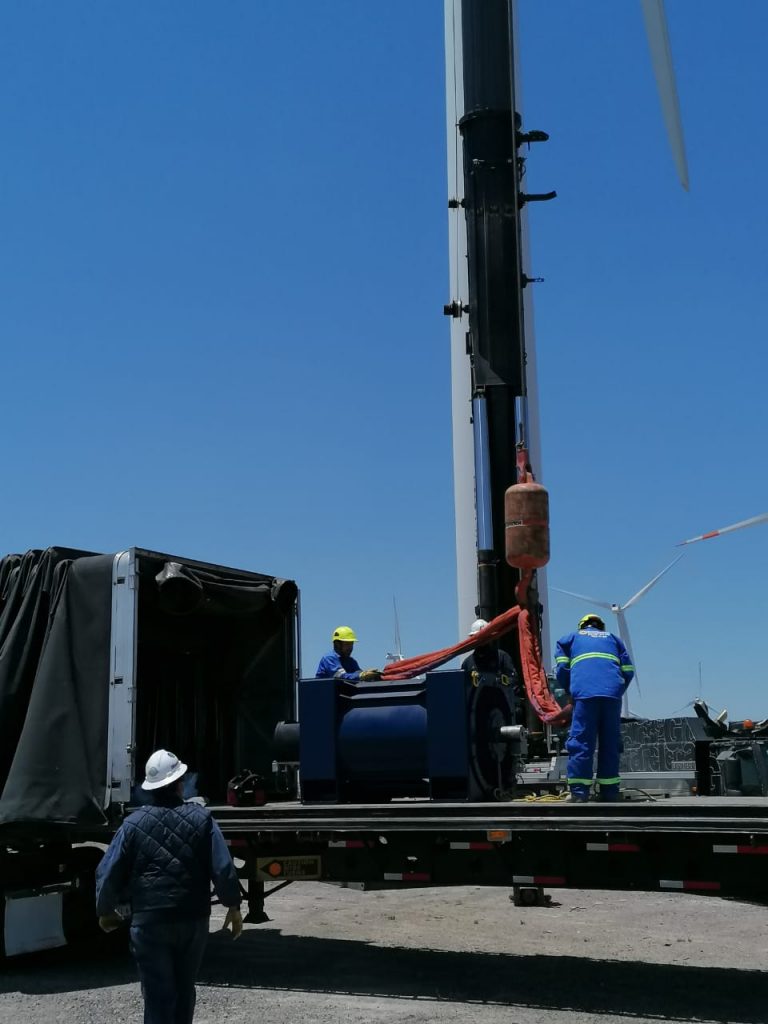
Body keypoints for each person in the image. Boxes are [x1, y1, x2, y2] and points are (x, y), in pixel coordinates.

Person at [96, 749, 243, 1024]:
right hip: (193, 920)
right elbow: (223, 868)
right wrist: (233, 906)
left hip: (149, 923)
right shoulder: (202, 819)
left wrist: (105, 910)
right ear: (179, 783)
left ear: (150, 788)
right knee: (185, 990)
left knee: (158, 995)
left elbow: (108, 872)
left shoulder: (132, 825)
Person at [555, 613, 634, 802]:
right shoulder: (614, 639)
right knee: (610, 742)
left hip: (585, 693)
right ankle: (610, 792)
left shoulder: (571, 638)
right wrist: (616, 690)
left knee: (581, 741)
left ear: (583, 626)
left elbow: (562, 668)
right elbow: (628, 671)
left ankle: (579, 793)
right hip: (612, 695)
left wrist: (571, 690)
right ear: (601, 627)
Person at [461, 618, 524, 704]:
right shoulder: (467, 664)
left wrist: (497, 681)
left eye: (485, 637)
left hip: (500, 710)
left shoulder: (502, 657)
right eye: (479, 637)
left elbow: (513, 683)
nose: (482, 641)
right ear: (472, 639)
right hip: (478, 712)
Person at [315, 625, 381, 681]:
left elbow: (358, 673)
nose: (350, 648)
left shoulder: (351, 661)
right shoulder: (329, 658)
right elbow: (340, 677)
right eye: (347, 644)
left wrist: (371, 675)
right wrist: (362, 675)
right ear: (337, 644)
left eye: (351, 644)